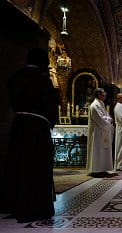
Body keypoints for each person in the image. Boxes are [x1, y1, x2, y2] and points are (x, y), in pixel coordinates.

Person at [2, 48, 59, 222]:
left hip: (18, 126)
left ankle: (14, 204)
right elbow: (51, 105)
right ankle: (35, 206)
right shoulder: (43, 80)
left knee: (17, 164)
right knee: (36, 166)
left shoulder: (15, 77)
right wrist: (50, 122)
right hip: (37, 128)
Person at [86, 88, 115, 178]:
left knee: (103, 151)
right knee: (97, 150)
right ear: (98, 94)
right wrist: (110, 119)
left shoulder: (101, 104)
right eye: (104, 93)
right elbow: (101, 119)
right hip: (97, 133)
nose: (105, 95)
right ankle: (96, 170)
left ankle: (102, 169)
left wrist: (108, 119)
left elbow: (105, 116)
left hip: (102, 131)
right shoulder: (94, 106)